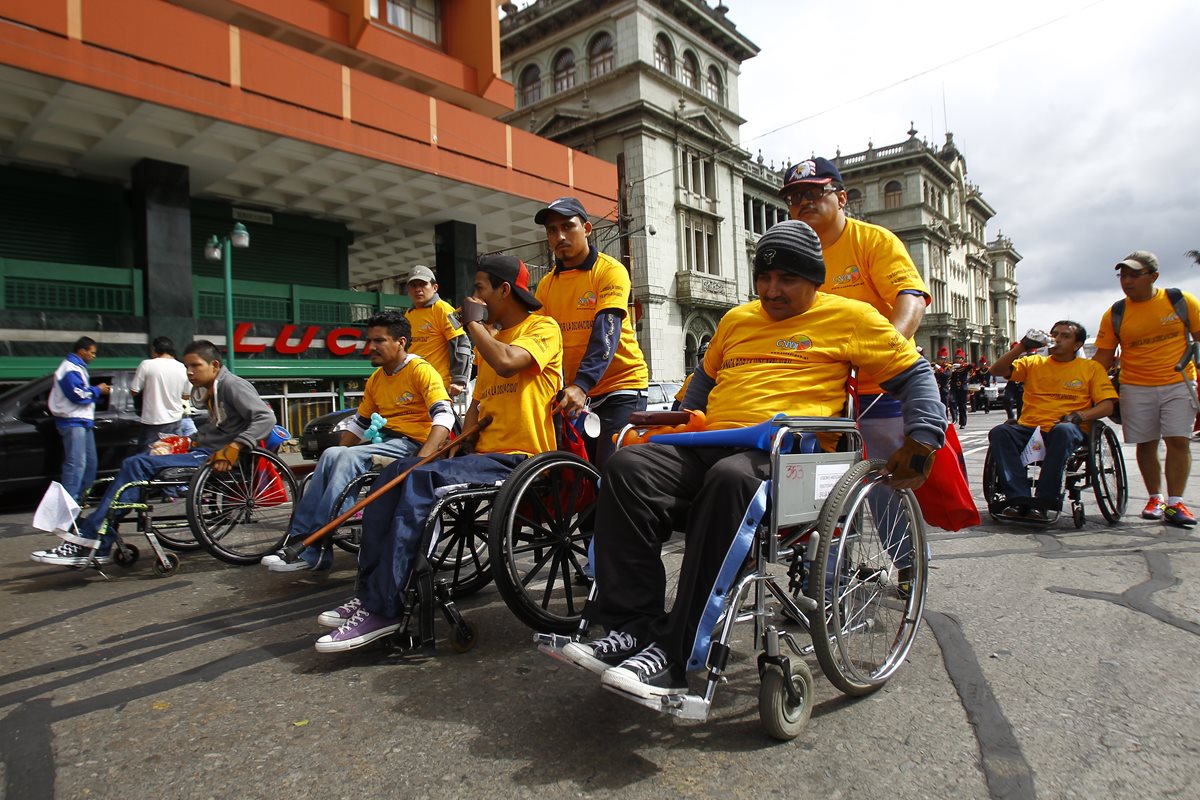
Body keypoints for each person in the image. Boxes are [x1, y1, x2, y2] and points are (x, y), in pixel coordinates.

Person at [553, 220, 945, 698]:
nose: (772, 290)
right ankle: (631, 625)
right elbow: (699, 387)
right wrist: (673, 421)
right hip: (713, 441)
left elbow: (916, 375)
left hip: (788, 455)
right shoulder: (737, 321)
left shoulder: (852, 317)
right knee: (626, 468)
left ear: (815, 281)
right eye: (764, 278)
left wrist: (922, 439)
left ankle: (675, 654)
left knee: (730, 479)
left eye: (787, 280)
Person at [312, 254, 563, 652]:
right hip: (482, 455)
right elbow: (478, 406)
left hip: (522, 457)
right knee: (396, 472)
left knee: (421, 481)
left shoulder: (541, 327)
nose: (472, 296)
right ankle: (371, 593)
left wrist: (473, 323)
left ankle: (387, 606)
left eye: (479, 287)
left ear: (503, 290)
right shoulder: (487, 340)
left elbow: (509, 361)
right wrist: (455, 446)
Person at [31, 341, 276, 567]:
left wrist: (236, 446)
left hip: (218, 457)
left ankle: (91, 538)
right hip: (203, 450)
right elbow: (219, 428)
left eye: (195, 366)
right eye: (187, 366)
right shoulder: (213, 388)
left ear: (214, 365)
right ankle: (97, 537)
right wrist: (186, 440)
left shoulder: (233, 386)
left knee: (136, 465)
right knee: (136, 464)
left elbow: (265, 417)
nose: (189, 372)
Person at [260, 311, 454, 572]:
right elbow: (358, 424)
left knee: (348, 457)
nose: (371, 347)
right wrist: (338, 450)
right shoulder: (376, 379)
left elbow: (444, 415)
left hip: (412, 445)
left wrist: (423, 458)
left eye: (379, 340)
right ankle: (300, 539)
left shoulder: (421, 371)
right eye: (370, 340)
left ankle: (314, 547)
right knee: (332, 454)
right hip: (387, 442)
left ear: (401, 342)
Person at [781, 156, 931, 454]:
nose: (803, 203)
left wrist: (885, 352)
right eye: (794, 197)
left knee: (887, 478)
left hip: (880, 389)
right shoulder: (789, 256)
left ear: (841, 198)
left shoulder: (874, 241)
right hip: (817, 389)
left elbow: (911, 297)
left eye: (813, 193)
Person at [533, 197, 649, 468]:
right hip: (575, 395)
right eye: (552, 230)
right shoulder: (546, 286)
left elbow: (606, 331)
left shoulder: (610, 271)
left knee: (611, 472)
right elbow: (539, 342)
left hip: (621, 389)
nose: (559, 236)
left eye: (567, 226)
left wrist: (581, 384)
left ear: (586, 229)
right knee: (574, 478)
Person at [1094, 251, 1200, 527]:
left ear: (1153, 277)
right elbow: (1102, 359)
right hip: (1136, 386)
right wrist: (1085, 383)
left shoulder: (1181, 301)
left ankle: (1175, 503)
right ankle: (1156, 498)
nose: (1126, 281)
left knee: (1178, 440)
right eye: (1123, 275)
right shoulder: (1116, 313)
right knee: (1146, 443)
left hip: (1178, 382)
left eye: (1134, 275)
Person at [987, 321, 1117, 520]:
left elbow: (1107, 406)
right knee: (1000, 432)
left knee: (1062, 431)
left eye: (1065, 336)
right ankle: (1018, 498)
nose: (1057, 339)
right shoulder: (1033, 363)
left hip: (1068, 427)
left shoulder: (1091, 368)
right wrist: (1023, 347)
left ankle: (1045, 500)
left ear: (1077, 345)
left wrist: (1080, 416)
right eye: (1055, 334)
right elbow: (996, 370)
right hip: (1030, 428)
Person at [48, 337, 111, 503]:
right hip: (72, 422)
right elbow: (78, 394)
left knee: (90, 463)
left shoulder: (78, 368)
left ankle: (79, 501)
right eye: (92, 352)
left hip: (82, 422)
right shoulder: (69, 368)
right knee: (76, 465)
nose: (93, 356)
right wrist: (98, 390)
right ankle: (68, 508)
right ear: (81, 351)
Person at [403, 265, 472, 398]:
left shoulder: (443, 309)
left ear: (435, 288)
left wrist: (458, 380)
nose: (418, 289)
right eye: (413, 285)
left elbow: (461, 343)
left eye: (423, 284)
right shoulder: (408, 314)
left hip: (438, 385)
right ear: (408, 290)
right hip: (413, 385)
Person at [131, 336, 191, 449]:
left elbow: (134, 391)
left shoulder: (147, 364)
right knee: (173, 452)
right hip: (176, 420)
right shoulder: (183, 368)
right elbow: (186, 396)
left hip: (154, 421)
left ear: (155, 349)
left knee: (152, 455)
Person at [947, 350, 971, 427]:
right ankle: (954, 418)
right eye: (956, 358)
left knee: (962, 405)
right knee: (952, 401)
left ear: (962, 359)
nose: (957, 359)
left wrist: (962, 365)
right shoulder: (952, 367)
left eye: (959, 358)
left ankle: (963, 423)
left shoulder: (965, 367)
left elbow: (971, 366)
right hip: (954, 387)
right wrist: (951, 370)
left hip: (962, 388)